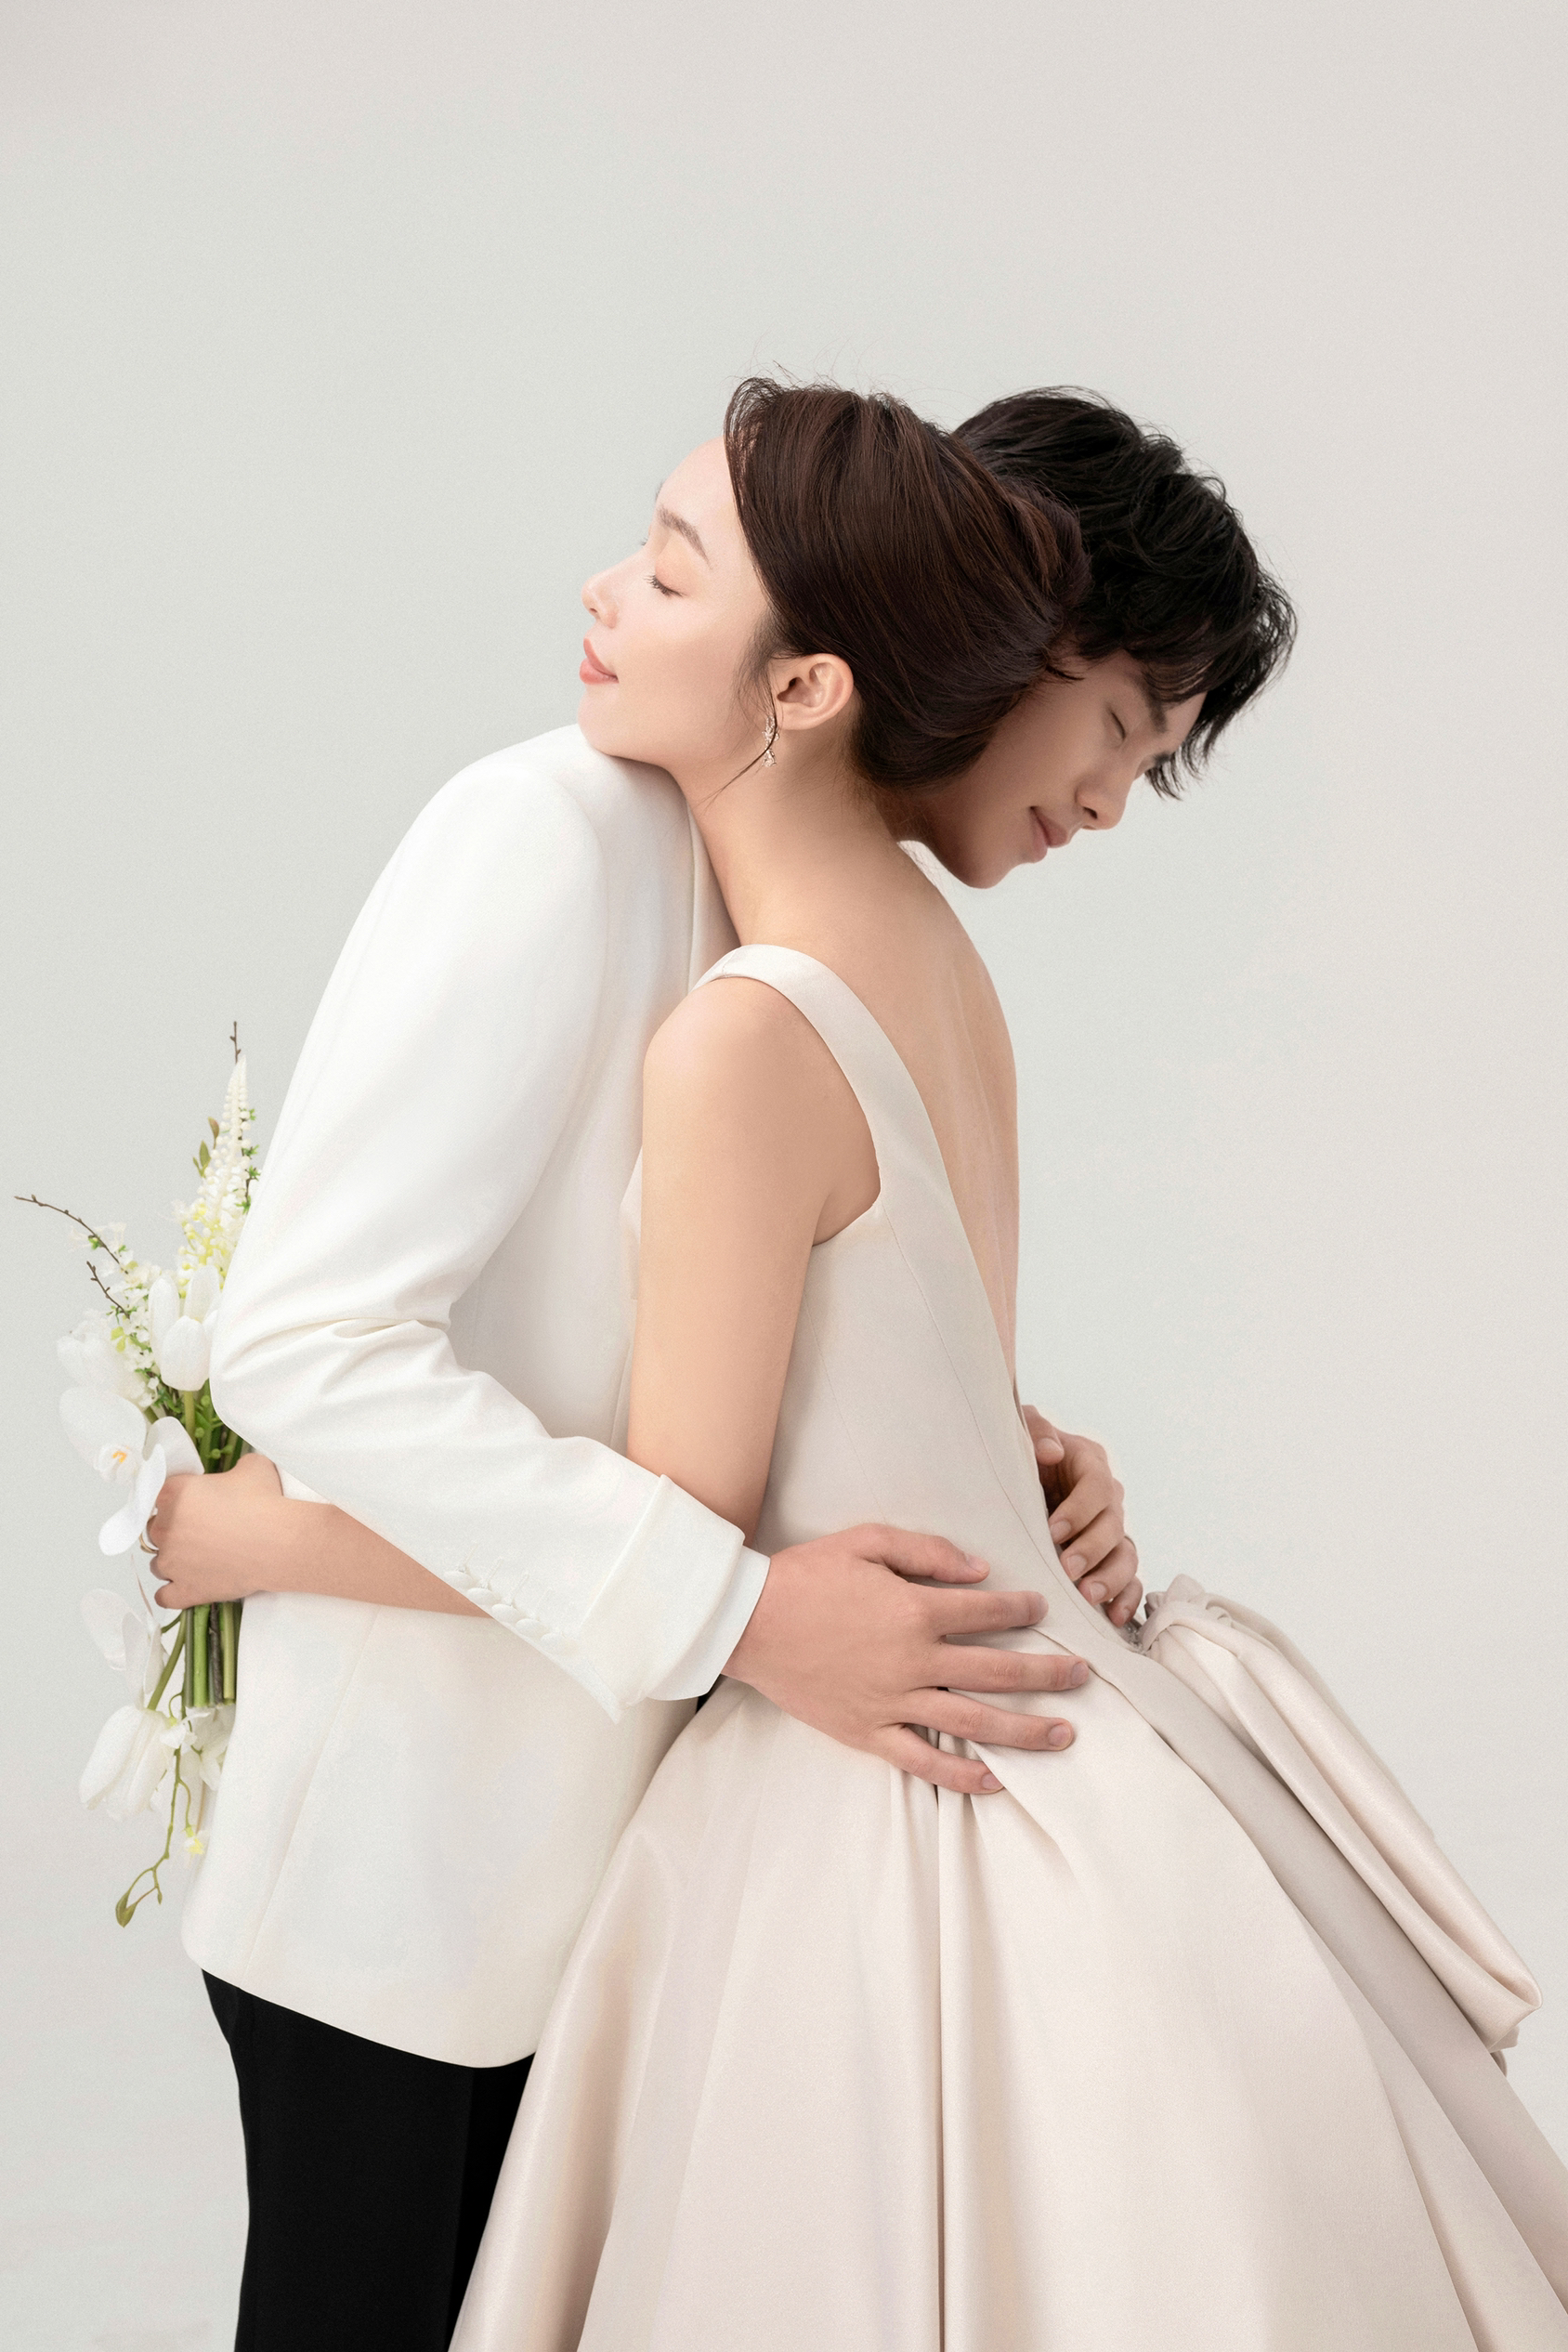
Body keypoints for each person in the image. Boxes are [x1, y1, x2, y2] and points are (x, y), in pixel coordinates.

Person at [145, 378, 1298, 2349]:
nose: (1107, 797)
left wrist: (1007, 1460)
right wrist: (734, 1605)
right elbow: (321, 1340)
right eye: (1111, 722)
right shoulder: (552, 831)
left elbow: (799, 1358)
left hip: (686, 1879)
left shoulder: (864, 936)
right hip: (436, 1885)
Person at [423, 381, 1567, 2349]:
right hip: (1067, 1725)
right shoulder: (934, 960)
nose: (1111, 799)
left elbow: (672, 1529)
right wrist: (1027, 1460)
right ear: (992, 635)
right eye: (1117, 726)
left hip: (878, 1768)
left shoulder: (750, 1028)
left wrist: (256, 1531)